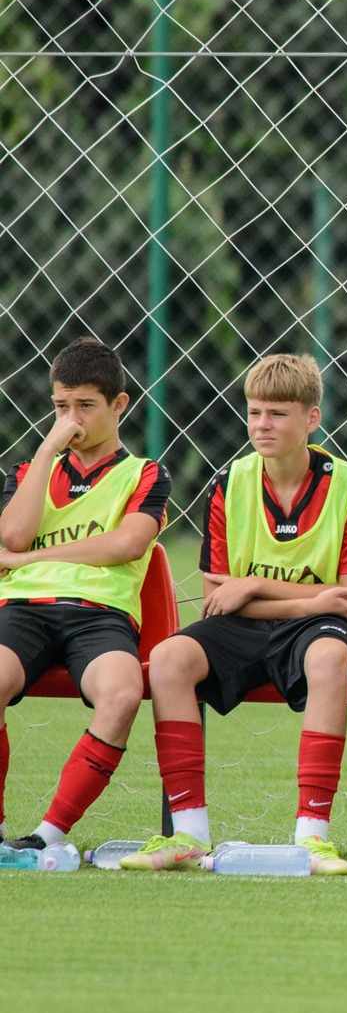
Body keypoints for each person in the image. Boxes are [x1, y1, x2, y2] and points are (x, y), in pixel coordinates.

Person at [121, 355, 347, 875]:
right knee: (169, 658)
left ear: (312, 418)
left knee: (328, 659)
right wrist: (308, 599)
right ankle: (188, 836)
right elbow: (218, 597)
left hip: (322, 627)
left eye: (278, 414)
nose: (262, 425)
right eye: (255, 412)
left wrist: (258, 585)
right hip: (262, 622)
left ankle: (312, 837)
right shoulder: (228, 481)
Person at [0, 338, 168, 856]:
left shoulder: (144, 474)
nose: (71, 420)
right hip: (23, 610)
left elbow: (129, 543)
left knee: (120, 696)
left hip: (100, 616)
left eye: (85, 406)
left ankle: (47, 836)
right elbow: (12, 538)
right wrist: (48, 449)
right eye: (60, 407)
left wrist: (30, 561)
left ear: (119, 405)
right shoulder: (29, 472)